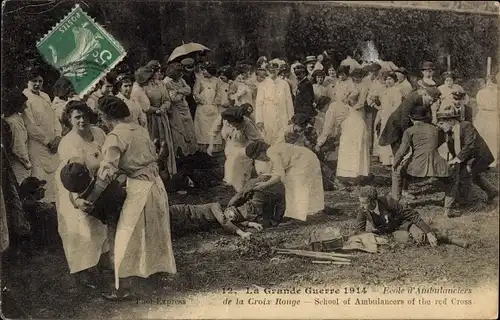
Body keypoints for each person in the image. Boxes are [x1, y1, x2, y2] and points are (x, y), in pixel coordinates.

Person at [95, 95, 176, 299]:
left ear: (106, 117)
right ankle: (156, 276)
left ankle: (123, 288)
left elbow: (108, 169)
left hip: (140, 187)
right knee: (155, 231)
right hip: (156, 184)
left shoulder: (115, 137)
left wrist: (94, 190)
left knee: (126, 234)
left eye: (101, 116)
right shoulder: (139, 129)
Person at [55, 100, 110, 289]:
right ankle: (83, 272)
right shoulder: (69, 142)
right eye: (77, 117)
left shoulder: (98, 133)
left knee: (100, 225)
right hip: (73, 186)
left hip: (97, 184)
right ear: (69, 120)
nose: (82, 120)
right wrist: (77, 199)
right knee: (81, 229)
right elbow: (75, 170)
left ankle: (102, 263)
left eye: (84, 116)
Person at [435, 108, 498, 217]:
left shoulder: (466, 126)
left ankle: (465, 202)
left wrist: (457, 159)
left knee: (465, 174)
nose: (439, 126)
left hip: (478, 156)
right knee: (472, 175)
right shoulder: (447, 130)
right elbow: (436, 142)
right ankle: (492, 191)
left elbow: (470, 145)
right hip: (466, 157)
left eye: (441, 123)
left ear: (451, 121)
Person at [245, 140, 324, 222]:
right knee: (292, 184)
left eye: (258, 157)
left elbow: (278, 176)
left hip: (304, 160)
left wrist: (265, 185)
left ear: (261, 151)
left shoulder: (271, 152)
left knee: (296, 185)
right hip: (304, 158)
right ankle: (297, 214)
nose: (261, 159)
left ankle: (297, 216)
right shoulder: (271, 150)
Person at [392, 105, 449, 201]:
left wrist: (395, 163)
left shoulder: (409, 131)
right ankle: (449, 204)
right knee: (451, 180)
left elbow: (402, 151)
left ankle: (395, 201)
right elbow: (438, 143)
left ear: (411, 119)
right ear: (425, 118)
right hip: (437, 165)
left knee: (396, 172)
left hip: (417, 166)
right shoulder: (435, 129)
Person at [22, 66, 60, 204]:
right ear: (27, 81)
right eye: (34, 81)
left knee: (53, 180)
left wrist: (58, 136)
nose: (37, 84)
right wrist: (48, 141)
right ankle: (41, 210)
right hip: (37, 146)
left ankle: (53, 208)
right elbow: (30, 125)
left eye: (40, 81)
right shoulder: (25, 97)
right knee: (39, 178)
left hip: (53, 146)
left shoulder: (45, 96)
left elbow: (54, 118)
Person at [354, 186, 438, 247]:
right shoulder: (363, 210)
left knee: (421, 237)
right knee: (406, 239)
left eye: (364, 203)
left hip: (403, 225)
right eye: (360, 202)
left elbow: (412, 214)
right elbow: (359, 230)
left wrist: (429, 232)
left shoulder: (389, 202)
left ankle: (434, 230)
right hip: (386, 232)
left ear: (373, 202)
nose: (361, 206)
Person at [209, 105, 264, 192]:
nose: (236, 126)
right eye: (233, 124)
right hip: (230, 148)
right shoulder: (223, 118)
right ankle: (231, 191)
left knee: (240, 180)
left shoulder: (247, 124)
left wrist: (257, 156)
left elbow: (259, 140)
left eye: (238, 124)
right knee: (230, 178)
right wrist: (211, 145)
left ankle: (242, 193)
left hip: (243, 150)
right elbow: (214, 131)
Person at [142, 65, 177, 174]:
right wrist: (154, 110)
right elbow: (143, 104)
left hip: (162, 117)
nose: (158, 74)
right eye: (156, 72)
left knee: (165, 142)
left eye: (159, 71)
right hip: (151, 119)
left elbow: (167, 99)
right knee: (154, 142)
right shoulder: (143, 87)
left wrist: (163, 108)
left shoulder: (161, 84)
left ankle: (167, 171)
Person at [163, 63, 198, 157]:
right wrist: (183, 92)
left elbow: (188, 90)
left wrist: (179, 91)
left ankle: (190, 149)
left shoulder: (180, 80)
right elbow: (173, 98)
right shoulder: (167, 82)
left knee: (189, 127)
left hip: (184, 107)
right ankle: (180, 151)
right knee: (179, 130)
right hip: (175, 109)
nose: (181, 74)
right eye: (179, 72)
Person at [255, 62, 294, 145]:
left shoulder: (284, 84)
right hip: (268, 117)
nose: (272, 71)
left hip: (282, 116)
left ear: (278, 70)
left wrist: (291, 117)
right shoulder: (262, 85)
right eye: (270, 70)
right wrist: (259, 120)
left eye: (274, 69)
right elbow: (259, 103)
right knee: (269, 139)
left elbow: (289, 101)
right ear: (267, 71)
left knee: (282, 139)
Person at [19, 177, 60, 249]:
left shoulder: (23, 203)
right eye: (40, 189)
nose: (43, 190)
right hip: (43, 243)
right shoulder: (42, 209)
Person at [373, 71, 403, 166]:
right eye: (386, 79)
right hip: (384, 117)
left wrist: (393, 117)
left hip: (392, 117)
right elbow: (382, 106)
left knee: (391, 136)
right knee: (383, 135)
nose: (388, 81)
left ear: (394, 80)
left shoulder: (396, 90)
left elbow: (397, 106)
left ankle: (392, 160)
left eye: (390, 79)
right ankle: (384, 159)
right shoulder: (384, 91)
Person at [193, 61, 223, 153]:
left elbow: (219, 92)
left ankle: (214, 145)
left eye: (205, 70)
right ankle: (203, 146)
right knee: (203, 127)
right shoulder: (199, 80)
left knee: (214, 126)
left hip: (213, 107)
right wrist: (202, 101)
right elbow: (195, 92)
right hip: (203, 107)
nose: (203, 71)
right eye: (203, 69)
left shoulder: (217, 80)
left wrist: (215, 102)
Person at [3, 90, 32, 183]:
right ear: (16, 105)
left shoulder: (11, 117)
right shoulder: (14, 122)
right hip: (18, 164)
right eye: (23, 105)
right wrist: (27, 163)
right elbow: (18, 146)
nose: (26, 107)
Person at [475, 76, 498, 167]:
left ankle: (493, 160)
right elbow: (481, 105)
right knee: (482, 137)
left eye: (492, 82)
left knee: (492, 138)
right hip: (483, 116)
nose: (490, 84)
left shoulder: (497, 93)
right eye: (488, 82)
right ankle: (481, 159)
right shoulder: (481, 93)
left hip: (493, 117)